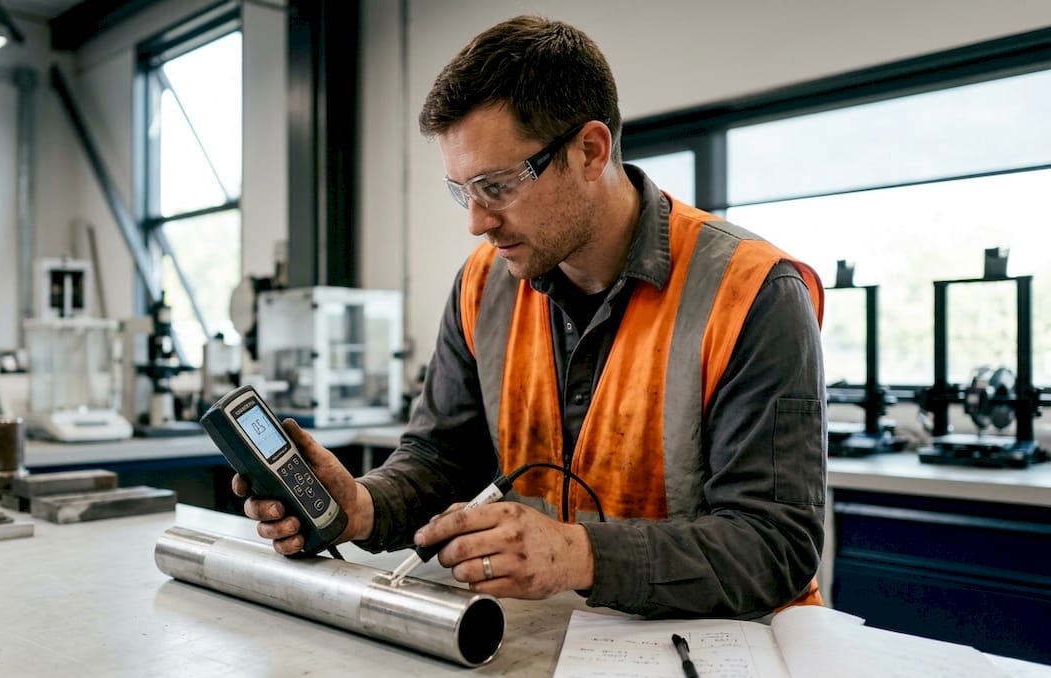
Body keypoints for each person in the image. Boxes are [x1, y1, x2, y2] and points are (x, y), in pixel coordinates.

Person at [235, 15, 826, 619]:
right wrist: (362, 506)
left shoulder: (753, 290)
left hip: (729, 653)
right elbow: (442, 459)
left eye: (497, 185)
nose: (477, 221)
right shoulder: (483, 284)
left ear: (590, 151)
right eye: (463, 191)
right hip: (553, 638)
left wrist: (578, 554)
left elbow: (775, 544)